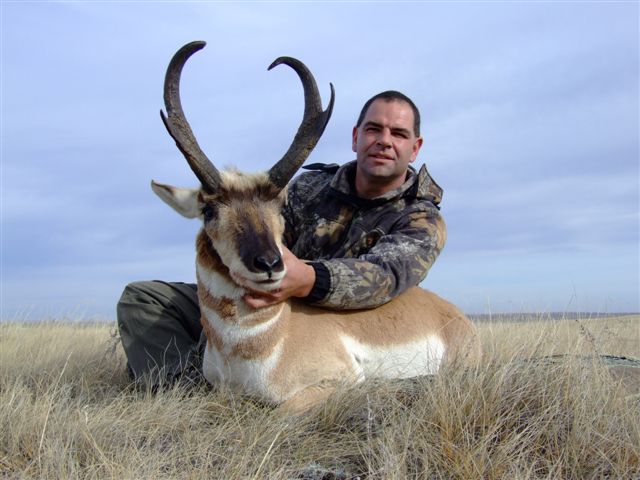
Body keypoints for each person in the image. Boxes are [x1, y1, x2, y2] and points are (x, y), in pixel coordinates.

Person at [117, 90, 446, 386]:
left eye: (399, 134)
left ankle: (223, 379)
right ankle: (187, 381)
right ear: (356, 137)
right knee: (143, 299)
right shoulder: (306, 187)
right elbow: (256, 234)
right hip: (260, 294)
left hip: (323, 319)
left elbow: (385, 277)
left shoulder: (422, 219)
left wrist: (307, 280)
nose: (385, 141)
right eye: (374, 129)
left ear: (415, 148)